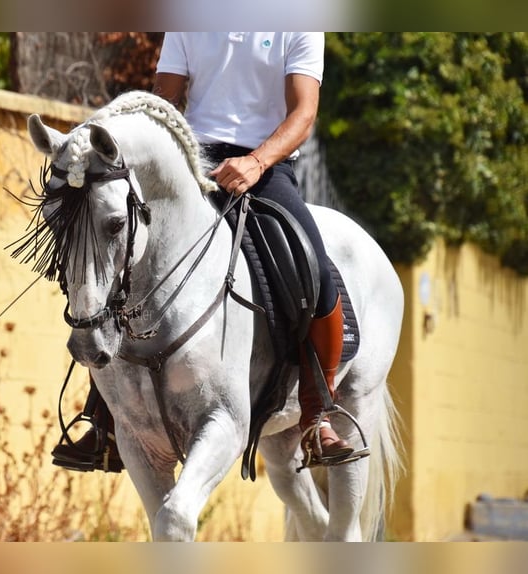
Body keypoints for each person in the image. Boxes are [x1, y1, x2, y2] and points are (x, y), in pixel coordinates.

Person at [52, 32, 353, 473]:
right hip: (192, 161)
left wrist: (257, 161)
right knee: (118, 260)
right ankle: (105, 418)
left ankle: (317, 413)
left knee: (316, 272)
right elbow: (164, 100)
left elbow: (303, 113)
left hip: (265, 167)